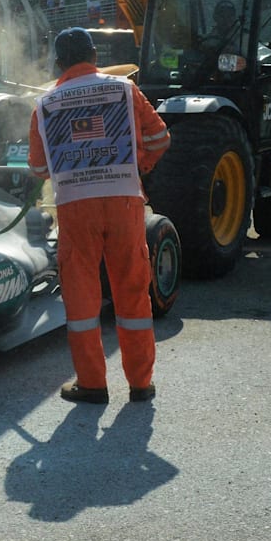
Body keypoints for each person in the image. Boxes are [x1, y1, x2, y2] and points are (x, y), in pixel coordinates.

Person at [27, 28, 172, 404]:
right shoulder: (125, 89)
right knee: (132, 293)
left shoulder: (44, 104)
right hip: (124, 200)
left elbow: (39, 168)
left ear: (58, 63)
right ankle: (140, 384)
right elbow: (160, 138)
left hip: (76, 207)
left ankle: (92, 384)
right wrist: (136, 164)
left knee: (82, 298)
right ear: (94, 55)